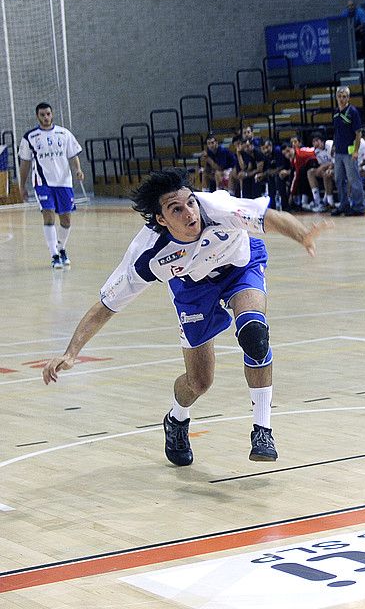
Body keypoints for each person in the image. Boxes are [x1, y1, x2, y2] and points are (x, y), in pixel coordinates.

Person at [40, 168, 332, 465]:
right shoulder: (149, 256)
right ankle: (176, 418)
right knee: (199, 382)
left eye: (190, 203)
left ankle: (262, 429)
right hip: (191, 287)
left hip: (239, 267)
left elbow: (268, 217)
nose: (188, 213)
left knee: (255, 335)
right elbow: (105, 307)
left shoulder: (219, 209)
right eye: (175, 209)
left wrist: (302, 235)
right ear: (162, 219)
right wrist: (71, 353)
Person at [17, 102, 84, 269]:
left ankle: (61, 248)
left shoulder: (64, 133)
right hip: (43, 183)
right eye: (42, 115)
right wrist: (22, 186)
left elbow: (73, 154)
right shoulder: (30, 137)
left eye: (48, 114)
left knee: (66, 220)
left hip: (64, 183)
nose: (46, 117)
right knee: (48, 215)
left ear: (52, 114)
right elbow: (24, 163)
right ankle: (54, 254)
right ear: (37, 116)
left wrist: (78, 170)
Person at [330, 86, 365, 217]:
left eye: (344, 96)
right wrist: (334, 145)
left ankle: (358, 206)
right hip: (338, 151)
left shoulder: (353, 112)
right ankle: (344, 205)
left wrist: (356, 151)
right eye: (339, 96)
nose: (342, 99)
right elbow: (336, 131)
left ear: (348, 98)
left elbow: (358, 133)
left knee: (353, 179)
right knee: (339, 179)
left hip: (350, 152)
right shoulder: (335, 112)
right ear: (336, 97)